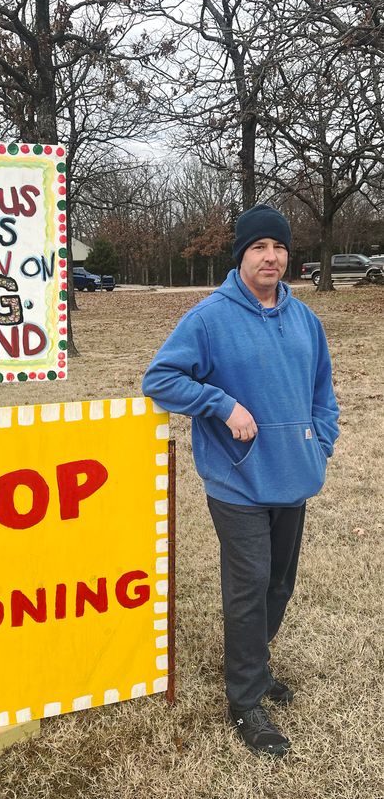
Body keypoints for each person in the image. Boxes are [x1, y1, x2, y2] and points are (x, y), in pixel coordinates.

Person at [142, 204, 339, 757]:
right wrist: (221, 404)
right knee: (249, 588)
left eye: (278, 247)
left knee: (279, 584)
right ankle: (246, 700)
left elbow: (324, 393)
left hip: (294, 477)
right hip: (238, 483)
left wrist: (320, 444)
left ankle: (255, 662)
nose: (271, 257)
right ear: (241, 256)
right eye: (259, 248)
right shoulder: (209, 318)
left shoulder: (306, 321)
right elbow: (159, 379)